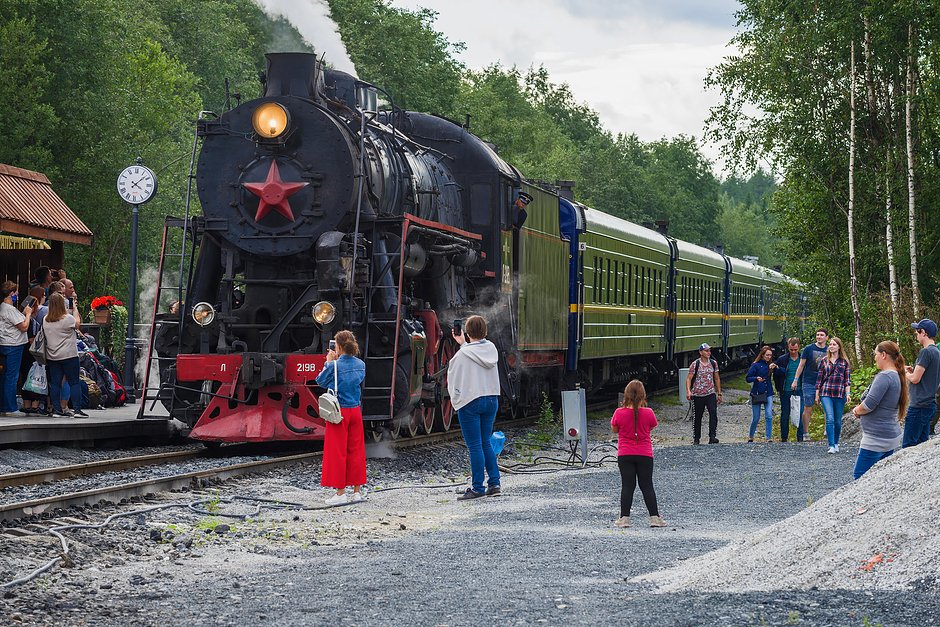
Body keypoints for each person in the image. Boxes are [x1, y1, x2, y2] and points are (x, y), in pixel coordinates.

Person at [448, 315, 501, 500]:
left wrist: (456, 399)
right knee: (485, 442)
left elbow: (454, 376)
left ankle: (477, 487)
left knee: (475, 446)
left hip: (471, 401)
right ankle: (494, 483)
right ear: (485, 331)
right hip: (492, 399)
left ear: (467, 332)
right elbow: (475, 354)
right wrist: (463, 344)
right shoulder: (491, 349)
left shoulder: (462, 354)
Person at [315, 330, 367, 505]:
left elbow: (320, 381)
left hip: (339, 412)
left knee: (337, 451)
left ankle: (340, 492)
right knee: (356, 450)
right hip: (355, 411)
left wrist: (329, 363)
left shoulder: (334, 366)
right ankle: (357, 492)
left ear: (337, 346)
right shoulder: (361, 364)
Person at [611, 380, 666, 528]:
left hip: (625, 454)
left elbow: (615, 430)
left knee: (627, 486)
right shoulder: (649, 413)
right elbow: (652, 426)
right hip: (644, 453)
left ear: (626, 395)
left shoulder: (618, 412)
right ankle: (655, 518)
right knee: (647, 485)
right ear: (643, 395)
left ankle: (624, 519)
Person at [850, 341, 906, 479]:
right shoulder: (897, 375)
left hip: (877, 437)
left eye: (875, 354)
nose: (874, 357)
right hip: (889, 434)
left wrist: (857, 410)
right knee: (880, 477)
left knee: (860, 476)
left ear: (883, 355)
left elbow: (869, 404)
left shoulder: (885, 376)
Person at [42, 293, 87, 418]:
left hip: (53, 356)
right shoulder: (67, 319)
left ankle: (57, 410)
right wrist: (75, 309)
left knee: (55, 383)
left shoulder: (46, 319)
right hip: (69, 355)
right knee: (74, 382)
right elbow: (78, 324)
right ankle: (77, 410)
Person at [902, 319, 940, 448]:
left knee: (908, 446)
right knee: (921, 445)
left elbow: (915, 379)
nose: (916, 335)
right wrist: (913, 372)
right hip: (930, 403)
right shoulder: (937, 352)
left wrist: (903, 372)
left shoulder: (926, 352)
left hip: (919, 405)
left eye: (917, 332)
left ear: (923, 332)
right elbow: (933, 378)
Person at [0, 282, 32, 416]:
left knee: (5, 377)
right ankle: (11, 408)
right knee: (12, 377)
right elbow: (24, 326)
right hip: (13, 345)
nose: (17, 295)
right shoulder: (9, 309)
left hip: (5, 344)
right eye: (16, 292)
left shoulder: (3, 307)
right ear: (11, 294)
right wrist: (28, 314)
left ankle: (4, 406)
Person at [792, 328, 829, 441]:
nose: (819, 337)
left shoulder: (829, 350)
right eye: (817, 335)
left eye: (821, 335)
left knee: (827, 407)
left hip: (824, 382)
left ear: (826, 337)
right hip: (809, 381)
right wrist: (795, 379)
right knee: (808, 407)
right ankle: (806, 433)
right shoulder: (808, 349)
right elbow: (801, 365)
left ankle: (827, 430)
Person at [816, 337, 851, 453]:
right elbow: (819, 379)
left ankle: (836, 443)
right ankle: (831, 445)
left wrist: (848, 393)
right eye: (830, 344)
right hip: (826, 392)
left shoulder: (844, 362)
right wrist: (817, 394)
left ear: (839, 347)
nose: (831, 346)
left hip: (839, 393)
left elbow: (847, 380)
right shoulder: (824, 361)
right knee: (829, 418)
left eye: (834, 344)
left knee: (837, 421)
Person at [685, 343, 722, 445]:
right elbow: (689, 378)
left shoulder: (713, 363)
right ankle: (696, 438)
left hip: (710, 393)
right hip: (698, 394)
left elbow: (717, 378)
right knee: (697, 417)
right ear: (701, 352)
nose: (709, 352)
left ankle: (712, 436)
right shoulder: (695, 364)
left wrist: (719, 393)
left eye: (709, 350)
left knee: (713, 414)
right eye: (706, 351)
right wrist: (688, 391)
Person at [18, 288, 46, 414]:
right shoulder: (32, 321)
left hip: (23, 352)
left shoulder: (20, 318)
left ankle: (26, 404)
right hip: (33, 353)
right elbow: (32, 337)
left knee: (25, 377)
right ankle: (35, 404)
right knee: (35, 376)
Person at [773, 337, 802, 442]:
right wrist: (779, 388)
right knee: (785, 413)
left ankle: (800, 437)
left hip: (800, 390)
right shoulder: (782, 359)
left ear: (799, 347)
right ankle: (784, 437)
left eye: (795, 349)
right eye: (791, 350)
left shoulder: (802, 358)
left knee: (800, 413)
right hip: (785, 390)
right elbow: (776, 375)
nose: (793, 352)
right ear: (788, 348)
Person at [746, 346, 776, 442]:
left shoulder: (771, 365)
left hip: (768, 392)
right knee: (756, 418)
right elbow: (748, 378)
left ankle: (768, 437)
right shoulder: (756, 365)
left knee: (768, 415)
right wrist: (756, 378)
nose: (768, 357)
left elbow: (782, 372)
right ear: (762, 355)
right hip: (757, 393)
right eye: (767, 355)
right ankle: (751, 435)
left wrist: (776, 367)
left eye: (770, 355)